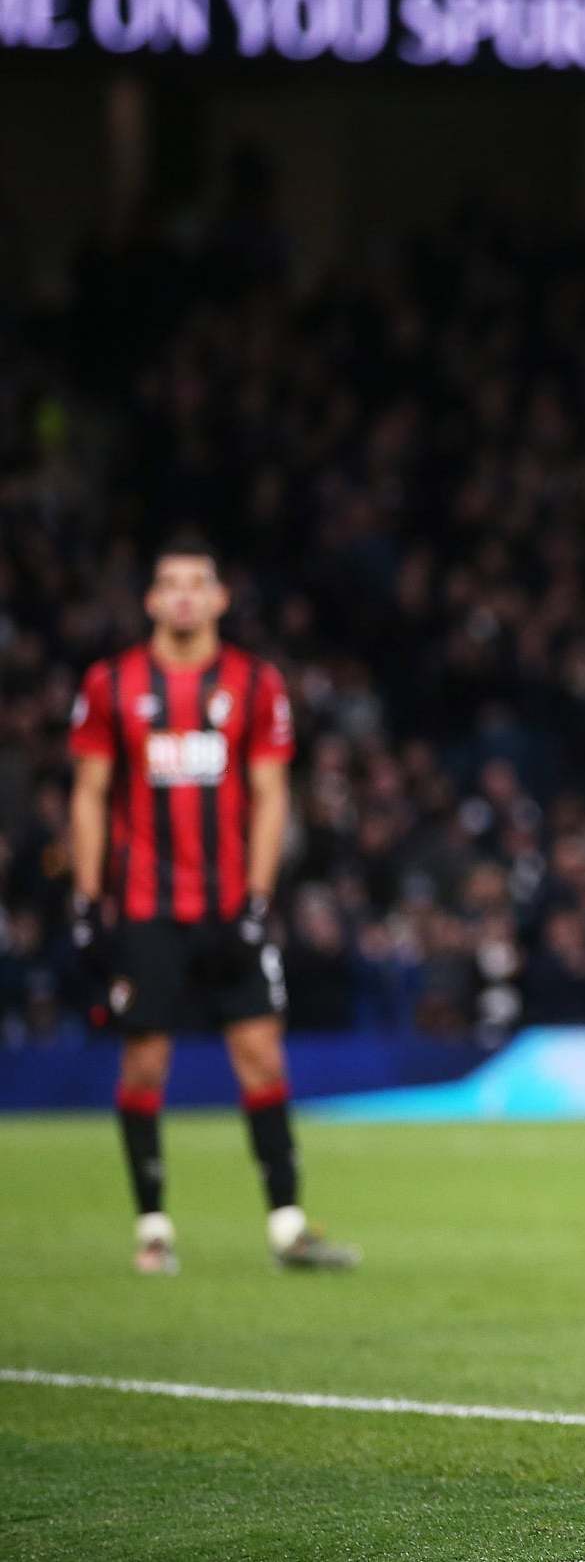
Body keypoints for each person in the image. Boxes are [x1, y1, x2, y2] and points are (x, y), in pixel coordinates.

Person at [67, 533, 357, 1275]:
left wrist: (260, 897)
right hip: (146, 909)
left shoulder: (257, 685)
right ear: (153, 600)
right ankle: (153, 1228)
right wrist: (87, 890)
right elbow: (92, 792)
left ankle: (289, 1226)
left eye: (200, 582)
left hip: (231, 906)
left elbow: (269, 796)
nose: (186, 595)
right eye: (173, 583)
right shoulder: (111, 684)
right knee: (145, 1064)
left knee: (261, 1056)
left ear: (221, 598)